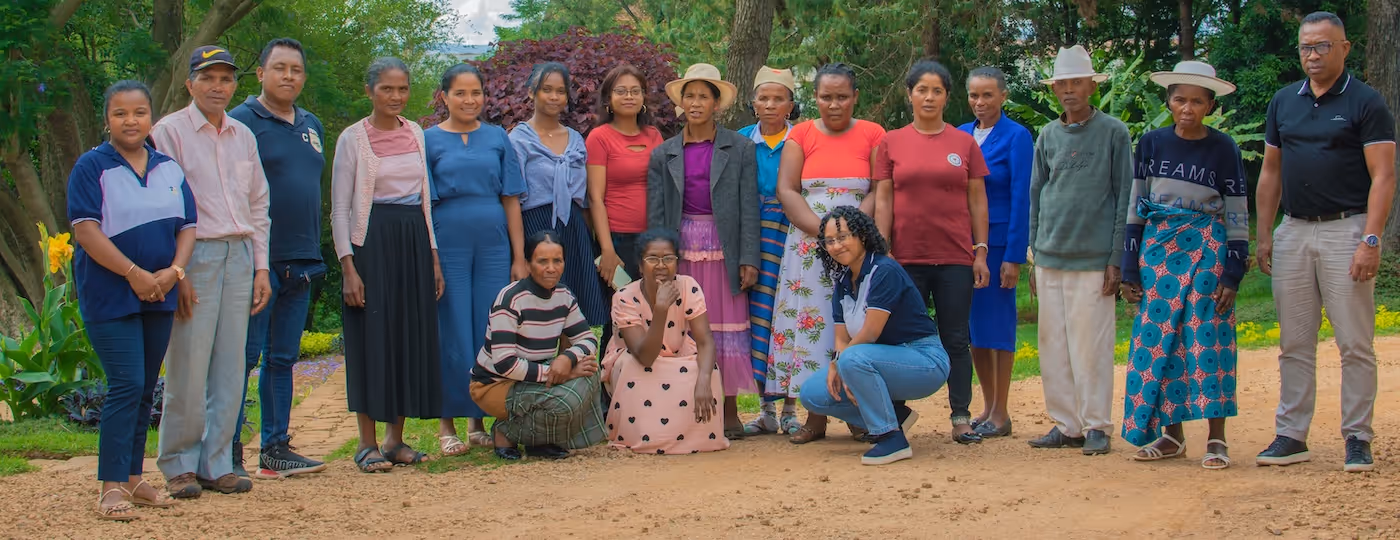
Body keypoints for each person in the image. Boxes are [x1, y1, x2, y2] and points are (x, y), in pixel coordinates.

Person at [1255, 11, 1395, 473]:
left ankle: (1357, 436)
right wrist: (1265, 234)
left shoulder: (1366, 102)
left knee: (1354, 342)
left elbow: (1383, 176)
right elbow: (1270, 171)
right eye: (1306, 47)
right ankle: (1292, 434)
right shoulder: (1283, 101)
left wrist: (1371, 238)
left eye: (1322, 46)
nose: (1312, 55)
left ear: (1344, 48)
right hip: (1294, 229)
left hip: (1346, 229)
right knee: (1294, 342)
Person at [72, 80, 196, 520]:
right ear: (107, 119)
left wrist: (173, 272)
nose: (130, 121)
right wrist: (133, 274)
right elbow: (86, 230)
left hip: (159, 293)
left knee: (145, 388)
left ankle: (133, 478)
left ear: (151, 118)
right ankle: (110, 487)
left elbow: (188, 227)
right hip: (111, 294)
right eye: (120, 113)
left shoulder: (168, 168)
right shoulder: (92, 167)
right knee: (125, 384)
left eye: (139, 112)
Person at [151, 45, 272, 498]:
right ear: (190, 84)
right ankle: (179, 463)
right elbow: (164, 207)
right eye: (208, 78)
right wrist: (176, 272)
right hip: (194, 255)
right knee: (188, 361)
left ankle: (216, 462)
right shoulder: (169, 133)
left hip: (239, 253)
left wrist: (261, 267)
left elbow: (258, 204)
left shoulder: (243, 135)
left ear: (235, 85)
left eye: (225, 78)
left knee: (230, 364)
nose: (218, 86)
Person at [1119, 61, 1248, 470]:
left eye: (1197, 101)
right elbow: (1136, 205)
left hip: (1207, 250)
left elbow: (1237, 212)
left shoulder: (1224, 148)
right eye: (1179, 100)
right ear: (1168, 102)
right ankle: (1171, 436)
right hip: (1158, 253)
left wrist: (1233, 272)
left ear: (1210, 105)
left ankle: (1216, 439)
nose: (1187, 108)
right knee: (1161, 341)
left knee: (1208, 338)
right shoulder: (1151, 143)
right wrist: (1129, 267)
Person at [330, 57, 445, 473]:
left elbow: (425, 201)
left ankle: (395, 440)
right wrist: (348, 267)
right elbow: (340, 208)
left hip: (413, 241)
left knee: (407, 336)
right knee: (372, 338)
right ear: (369, 91)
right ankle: (366, 443)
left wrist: (433, 256)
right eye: (386, 89)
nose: (395, 96)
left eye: (402, 89)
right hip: (371, 244)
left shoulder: (415, 132)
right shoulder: (352, 138)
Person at [769, 63, 887, 444]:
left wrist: (850, 233)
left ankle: (857, 414)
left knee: (855, 326)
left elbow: (877, 189)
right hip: (809, 247)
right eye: (826, 97)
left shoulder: (873, 134)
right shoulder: (800, 134)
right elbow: (787, 190)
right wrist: (825, 234)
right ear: (815, 98)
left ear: (855, 97)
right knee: (814, 327)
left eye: (842, 97)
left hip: (858, 245)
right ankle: (815, 416)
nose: (834, 104)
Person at [874, 59, 990, 445]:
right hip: (904, 260)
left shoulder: (964, 143)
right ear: (909, 94)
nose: (928, 97)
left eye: (936, 90)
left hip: (955, 258)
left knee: (955, 338)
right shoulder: (891, 142)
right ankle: (895, 416)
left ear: (946, 97)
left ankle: (961, 416)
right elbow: (884, 199)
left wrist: (980, 251)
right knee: (898, 338)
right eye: (921, 89)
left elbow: (977, 200)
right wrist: (884, 250)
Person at [227, 38, 328, 480]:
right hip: (257, 261)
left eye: (296, 70)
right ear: (260, 74)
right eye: (280, 68)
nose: (289, 76)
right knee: (243, 358)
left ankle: (275, 449)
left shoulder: (311, 124)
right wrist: (255, 261)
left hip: (301, 260)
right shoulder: (240, 122)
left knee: (282, 358)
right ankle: (227, 452)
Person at [1026, 45, 1133, 456]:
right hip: (1050, 255)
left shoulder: (1113, 132)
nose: (1069, 90)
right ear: (1054, 90)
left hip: (1093, 259)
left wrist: (1116, 258)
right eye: (1062, 84)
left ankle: (1097, 426)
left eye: (1077, 82)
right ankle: (1066, 425)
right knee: (1053, 346)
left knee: (1091, 347)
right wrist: (1034, 254)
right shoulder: (1048, 135)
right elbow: (1036, 195)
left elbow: (1124, 196)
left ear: (1091, 86)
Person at [647, 63, 760, 438]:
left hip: (725, 247)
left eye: (703, 97)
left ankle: (729, 410)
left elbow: (749, 205)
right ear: (681, 103)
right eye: (689, 96)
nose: (695, 103)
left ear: (717, 104)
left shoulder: (740, 148)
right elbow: (657, 213)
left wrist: (748, 257)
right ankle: (687, 410)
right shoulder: (664, 154)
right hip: (682, 249)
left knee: (726, 326)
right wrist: (659, 261)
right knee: (686, 325)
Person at [425, 63, 528, 455]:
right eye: (460, 93)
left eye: (476, 93)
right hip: (449, 241)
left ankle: (478, 420)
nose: (469, 100)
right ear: (444, 97)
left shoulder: (498, 137)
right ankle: (446, 423)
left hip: (493, 244)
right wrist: (432, 256)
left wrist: (519, 256)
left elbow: (511, 199)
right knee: (451, 327)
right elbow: (423, 202)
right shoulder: (428, 140)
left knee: (490, 329)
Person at [799, 207, 950, 465]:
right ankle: (896, 417)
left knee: (851, 359)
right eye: (829, 241)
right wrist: (839, 363)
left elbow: (870, 332)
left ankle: (891, 439)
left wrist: (842, 364)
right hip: (875, 360)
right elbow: (841, 339)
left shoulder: (884, 270)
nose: (836, 246)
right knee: (812, 393)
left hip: (925, 360)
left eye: (843, 237)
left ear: (862, 236)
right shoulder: (843, 282)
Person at [470, 230, 608, 460]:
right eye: (542, 261)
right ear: (528, 264)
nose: (551, 268)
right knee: (565, 400)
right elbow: (505, 364)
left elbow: (588, 339)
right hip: (495, 384)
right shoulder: (510, 299)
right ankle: (505, 431)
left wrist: (567, 358)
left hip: (535, 375)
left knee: (590, 371)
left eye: (557, 261)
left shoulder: (563, 295)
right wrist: (559, 373)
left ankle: (538, 440)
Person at [602, 229, 730, 454]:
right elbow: (645, 356)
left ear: (677, 263)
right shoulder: (624, 297)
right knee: (633, 368)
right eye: (652, 259)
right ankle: (645, 438)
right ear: (640, 266)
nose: (661, 265)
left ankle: (697, 439)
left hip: (677, 353)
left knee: (707, 369)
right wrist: (661, 310)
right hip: (637, 358)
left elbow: (705, 341)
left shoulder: (688, 286)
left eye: (668, 258)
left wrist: (703, 380)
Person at [959, 66, 1033, 439]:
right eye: (974, 95)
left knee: (999, 327)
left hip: (1000, 244)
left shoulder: (1017, 136)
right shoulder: (960, 134)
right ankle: (987, 406)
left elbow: (1022, 197)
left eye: (987, 95)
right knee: (975, 329)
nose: (980, 102)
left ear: (1003, 96)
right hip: (964, 244)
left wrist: (1014, 256)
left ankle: (1002, 412)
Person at [510, 62, 609, 325]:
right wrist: (518, 255)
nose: (554, 97)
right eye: (546, 89)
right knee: (538, 312)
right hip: (535, 227)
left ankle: (571, 353)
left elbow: (584, 198)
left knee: (572, 309)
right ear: (531, 92)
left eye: (560, 91)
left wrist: (590, 242)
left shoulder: (576, 140)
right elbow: (512, 201)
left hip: (573, 229)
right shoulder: (519, 140)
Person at [737, 66, 804, 436]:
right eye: (763, 97)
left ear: (790, 105)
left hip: (793, 234)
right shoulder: (741, 141)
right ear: (753, 102)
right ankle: (766, 410)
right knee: (759, 319)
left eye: (779, 99)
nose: (770, 105)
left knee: (789, 315)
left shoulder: (802, 139)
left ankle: (791, 408)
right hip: (754, 236)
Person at [587, 64, 664, 354]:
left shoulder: (654, 136)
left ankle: (649, 376)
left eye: (635, 91)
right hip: (617, 240)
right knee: (620, 315)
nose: (629, 96)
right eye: (621, 91)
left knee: (651, 312)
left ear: (643, 97)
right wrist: (607, 250)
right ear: (608, 98)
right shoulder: (599, 137)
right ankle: (611, 377)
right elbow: (595, 198)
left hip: (651, 240)